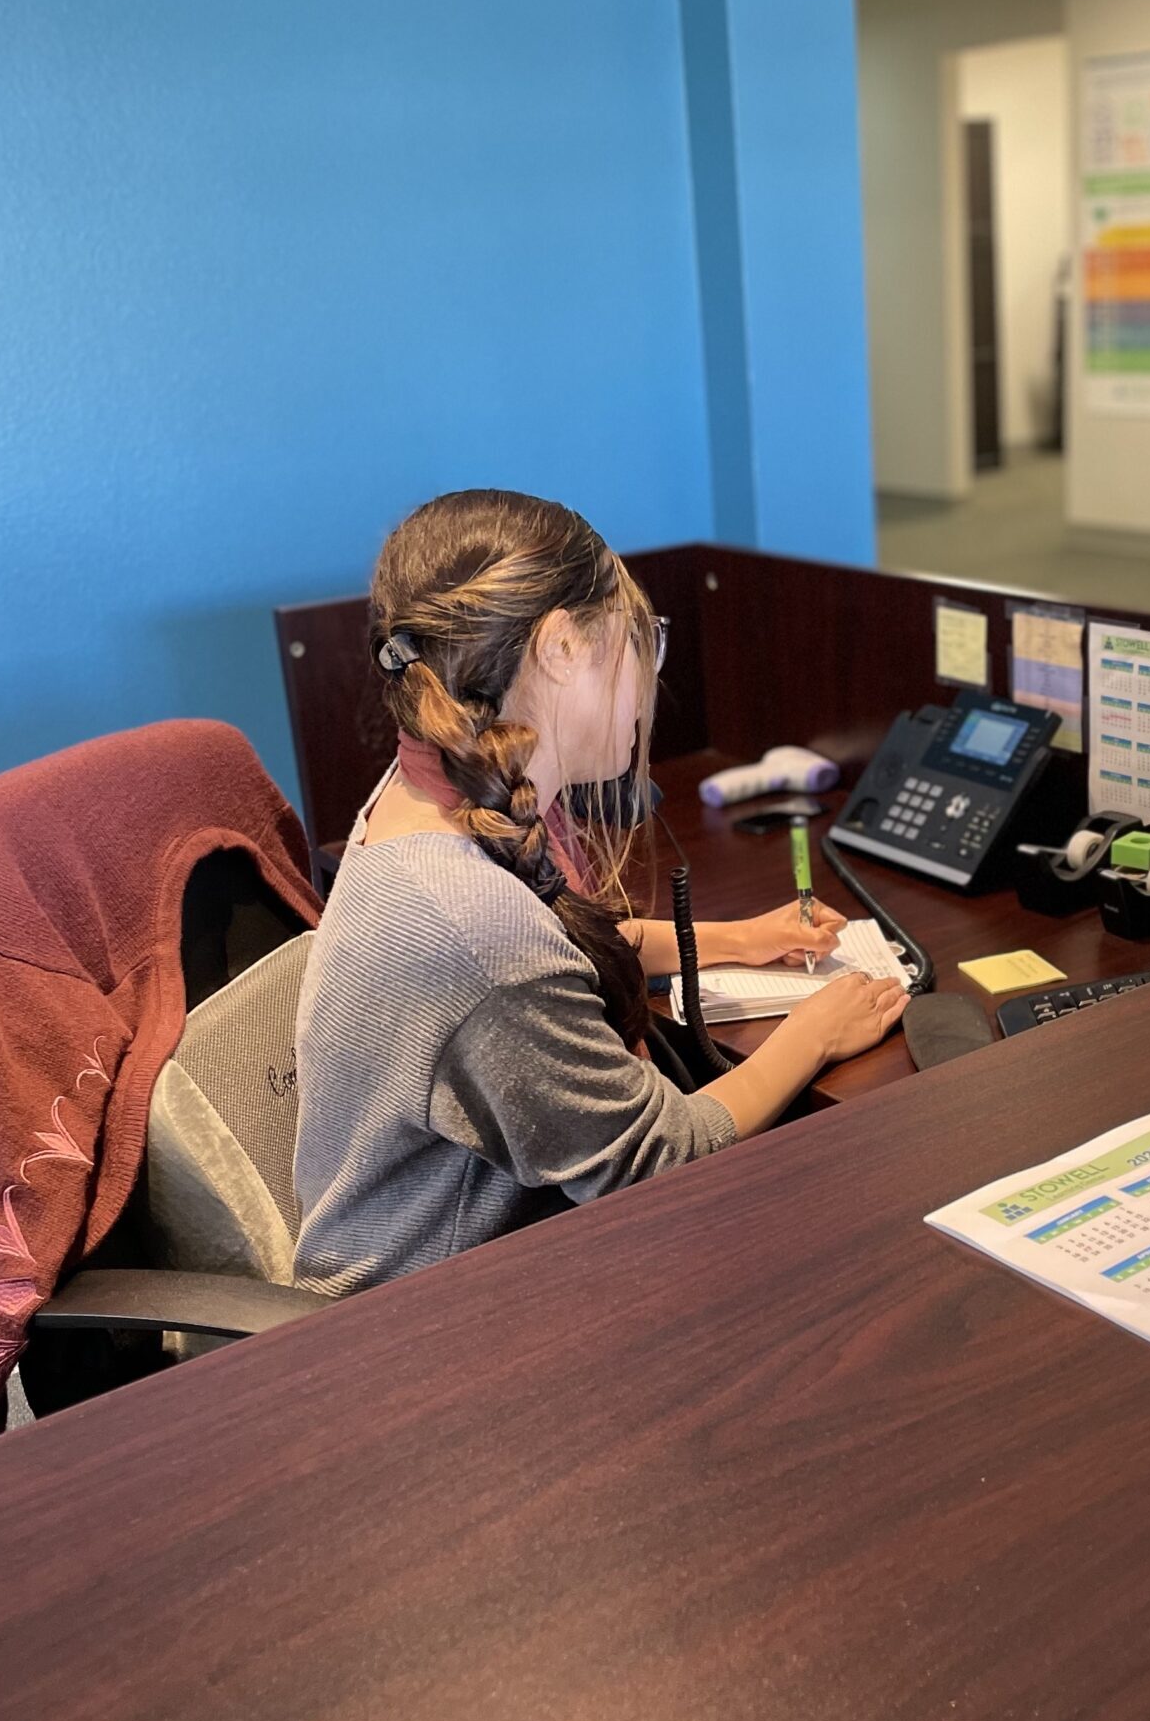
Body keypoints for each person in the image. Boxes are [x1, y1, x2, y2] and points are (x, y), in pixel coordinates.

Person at [293, 489, 906, 1294]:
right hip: (427, 1324)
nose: (649, 671)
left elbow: (549, 947)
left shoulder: (424, 796)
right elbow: (658, 1159)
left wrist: (737, 939)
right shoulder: (473, 929)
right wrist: (814, 1034)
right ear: (559, 647)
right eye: (638, 639)